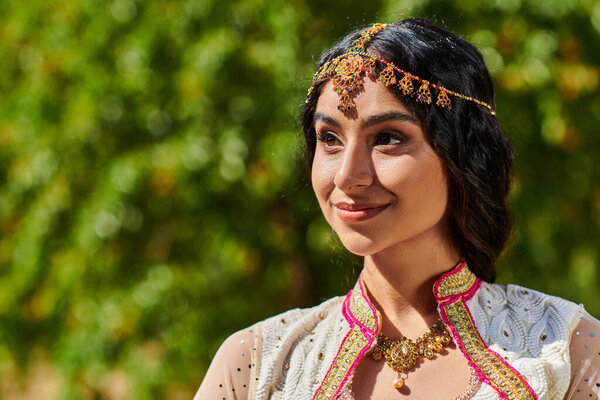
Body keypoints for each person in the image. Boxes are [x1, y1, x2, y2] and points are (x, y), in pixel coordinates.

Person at [194, 19, 600, 400]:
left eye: (387, 137)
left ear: (462, 154)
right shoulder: (258, 363)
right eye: (329, 137)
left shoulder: (564, 349)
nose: (348, 176)